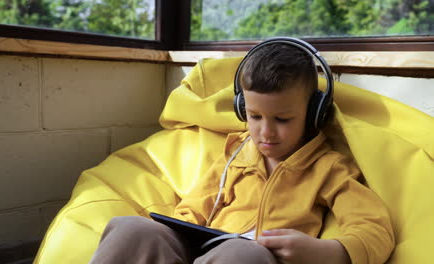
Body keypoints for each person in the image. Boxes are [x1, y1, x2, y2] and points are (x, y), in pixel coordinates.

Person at [89, 39, 395, 264]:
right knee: (131, 228)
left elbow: (374, 230)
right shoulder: (236, 154)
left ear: (314, 113)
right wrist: (178, 229)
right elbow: (194, 207)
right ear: (241, 109)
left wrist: (328, 252)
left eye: (283, 119)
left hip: (255, 259)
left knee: (239, 255)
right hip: (206, 250)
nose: (266, 131)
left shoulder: (329, 168)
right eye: (254, 116)